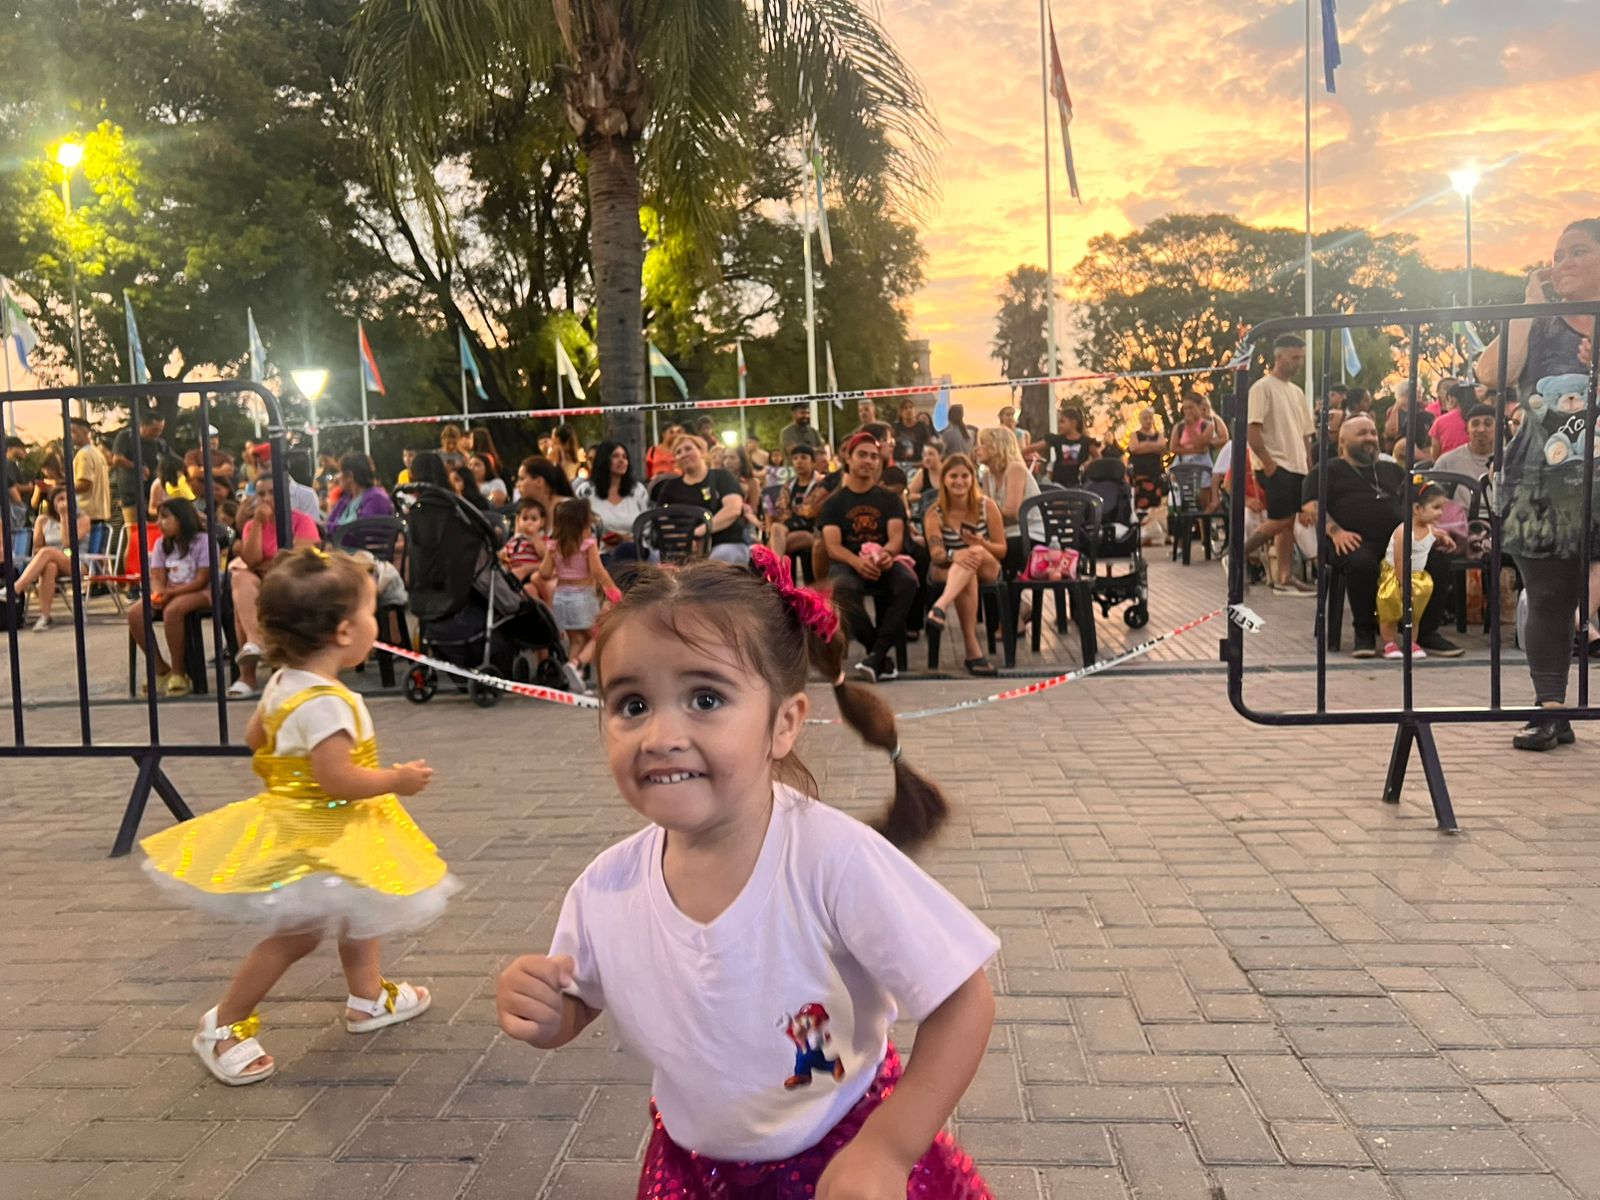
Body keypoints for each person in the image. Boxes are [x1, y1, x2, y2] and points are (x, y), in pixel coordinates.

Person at [495, 549, 997, 1198]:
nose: (660, 734)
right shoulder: (605, 888)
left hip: (845, 1157)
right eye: (631, 704)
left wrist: (890, 1146)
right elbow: (578, 998)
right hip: (692, 1171)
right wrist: (542, 1009)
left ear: (782, 724)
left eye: (705, 698)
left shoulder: (830, 859)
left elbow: (963, 997)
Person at [141, 547, 454, 1086]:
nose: (374, 623)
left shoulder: (284, 682)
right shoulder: (329, 703)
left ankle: (369, 997)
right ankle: (224, 1024)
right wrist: (396, 780)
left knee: (365, 903)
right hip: (320, 831)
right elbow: (339, 778)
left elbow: (255, 737)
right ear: (341, 632)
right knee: (299, 934)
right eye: (370, 613)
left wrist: (288, 773)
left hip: (311, 822)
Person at [1477, 216, 1600, 750]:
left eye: (1577, 252)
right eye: (1557, 253)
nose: (1562, 263)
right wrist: (1527, 306)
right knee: (1548, 594)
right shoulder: (1539, 320)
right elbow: (1492, 374)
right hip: (1542, 479)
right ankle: (1551, 709)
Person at [1298, 416, 1460, 658]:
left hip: (1398, 539)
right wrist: (1336, 532)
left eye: (1373, 433)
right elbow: (1311, 507)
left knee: (1437, 556)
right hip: (1352, 540)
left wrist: (1428, 530)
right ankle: (1364, 631)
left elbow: (1418, 504)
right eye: (1362, 433)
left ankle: (1425, 632)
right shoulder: (1327, 470)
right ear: (1343, 441)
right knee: (1362, 562)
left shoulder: (1392, 470)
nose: (1370, 438)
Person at [819, 432, 919, 682]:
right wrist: (856, 562)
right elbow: (832, 546)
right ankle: (879, 654)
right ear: (849, 459)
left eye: (874, 456)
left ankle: (876, 656)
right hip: (848, 562)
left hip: (883, 562)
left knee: (908, 582)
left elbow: (896, 537)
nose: (868, 461)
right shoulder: (834, 503)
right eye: (862, 455)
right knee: (842, 588)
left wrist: (887, 554)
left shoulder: (889, 499)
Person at [1231, 334, 1314, 595]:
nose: (1298, 363)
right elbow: (1252, 429)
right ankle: (1235, 554)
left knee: (1288, 523)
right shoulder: (1262, 388)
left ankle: (1285, 577)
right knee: (1281, 520)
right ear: (1279, 357)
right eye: (1294, 357)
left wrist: (1309, 470)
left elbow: (1305, 436)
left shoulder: (1297, 392)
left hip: (1297, 465)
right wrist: (1268, 464)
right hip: (1276, 464)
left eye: (1301, 357)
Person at [227, 475, 323, 698]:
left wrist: (264, 565)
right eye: (261, 494)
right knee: (241, 580)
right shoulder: (253, 524)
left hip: (295, 581)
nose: (267, 498)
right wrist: (259, 524)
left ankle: (250, 670)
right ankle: (255, 643)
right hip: (261, 582)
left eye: (272, 493)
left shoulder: (301, 521)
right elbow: (251, 560)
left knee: (247, 598)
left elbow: (296, 559)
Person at [924, 453, 1004, 676]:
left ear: (972, 478)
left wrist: (981, 543)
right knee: (967, 571)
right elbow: (936, 553)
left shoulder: (987, 506)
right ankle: (973, 653)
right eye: (953, 476)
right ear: (944, 480)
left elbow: (1001, 549)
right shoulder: (934, 513)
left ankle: (940, 605)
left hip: (987, 564)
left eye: (964, 476)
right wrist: (954, 555)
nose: (959, 482)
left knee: (974, 552)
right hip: (950, 568)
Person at [126, 498, 213, 694]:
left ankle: (178, 672)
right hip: (169, 591)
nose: (159, 523)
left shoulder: (203, 542)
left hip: (200, 591)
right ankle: (160, 668)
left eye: (165, 518)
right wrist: (159, 593)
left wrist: (170, 593)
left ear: (182, 519)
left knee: (173, 611)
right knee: (135, 613)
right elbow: (157, 575)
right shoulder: (161, 544)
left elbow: (202, 579)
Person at [538, 497, 622, 694]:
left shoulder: (553, 545)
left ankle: (575, 682)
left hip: (560, 597)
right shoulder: (587, 544)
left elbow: (544, 573)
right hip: (582, 595)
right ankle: (576, 664)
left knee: (576, 639)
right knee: (597, 635)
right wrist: (614, 591)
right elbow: (598, 571)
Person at [652, 434, 751, 565]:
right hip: (681, 548)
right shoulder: (670, 486)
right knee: (653, 559)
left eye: (688, 449)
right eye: (678, 452)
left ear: (702, 451)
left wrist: (697, 533)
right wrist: (682, 541)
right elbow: (661, 518)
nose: (683, 454)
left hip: (725, 543)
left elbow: (733, 509)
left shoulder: (722, 477)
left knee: (718, 560)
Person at [1378, 480, 1448, 660]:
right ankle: (1389, 642)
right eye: (1436, 507)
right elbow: (1400, 560)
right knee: (1391, 610)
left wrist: (1444, 538)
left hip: (1417, 577)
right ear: (1417, 509)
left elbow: (1434, 534)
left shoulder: (1429, 528)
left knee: (1414, 612)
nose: (1440, 513)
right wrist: (1403, 585)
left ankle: (1410, 641)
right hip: (1396, 575)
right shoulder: (1404, 532)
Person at [4, 486, 90, 631]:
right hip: (50, 562)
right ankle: (45, 617)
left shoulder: (83, 519)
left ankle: (16, 588)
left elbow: (68, 543)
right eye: (60, 499)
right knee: (49, 565)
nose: (64, 502)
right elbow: (37, 548)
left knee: (48, 553)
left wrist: (64, 517)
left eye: (67, 498)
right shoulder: (43, 520)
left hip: (76, 562)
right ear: (53, 504)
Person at [976, 425, 1043, 576]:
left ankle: (1004, 597)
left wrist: (983, 505)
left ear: (997, 446)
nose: (976, 449)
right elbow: (987, 514)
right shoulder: (988, 475)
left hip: (1029, 534)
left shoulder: (1015, 468)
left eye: (982, 444)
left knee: (984, 553)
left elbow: (1013, 514)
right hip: (1005, 534)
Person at [586, 439, 651, 562]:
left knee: (625, 550)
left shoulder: (638, 490)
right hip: (599, 552)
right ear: (604, 459)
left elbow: (647, 526)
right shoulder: (587, 492)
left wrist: (627, 539)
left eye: (625, 457)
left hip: (634, 551)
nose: (622, 460)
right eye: (615, 456)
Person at [768, 443, 827, 563]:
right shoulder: (789, 485)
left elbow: (811, 510)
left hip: (813, 532)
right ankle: (778, 569)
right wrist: (794, 514)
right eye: (795, 458)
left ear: (813, 462)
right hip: (790, 528)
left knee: (771, 546)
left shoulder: (822, 483)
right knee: (776, 527)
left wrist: (794, 512)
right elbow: (781, 509)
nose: (799, 462)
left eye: (804, 458)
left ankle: (775, 572)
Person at [112, 409, 168, 531]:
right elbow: (117, 459)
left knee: (155, 532)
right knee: (135, 533)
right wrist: (137, 467)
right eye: (154, 430)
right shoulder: (126, 437)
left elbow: (170, 460)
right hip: (132, 493)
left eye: (160, 430)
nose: (157, 434)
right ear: (142, 425)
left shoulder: (159, 443)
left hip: (153, 494)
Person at [1433, 403, 1497, 505]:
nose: (1481, 430)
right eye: (1475, 424)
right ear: (1467, 428)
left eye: (1488, 424)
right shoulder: (1446, 462)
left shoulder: (1511, 459)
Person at [1167, 393, 1221, 507]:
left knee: (1203, 498)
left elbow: (1199, 444)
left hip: (1202, 462)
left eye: (1191, 407)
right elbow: (1173, 447)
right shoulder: (1179, 426)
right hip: (1183, 462)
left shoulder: (1207, 426)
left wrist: (1191, 427)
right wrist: (1194, 451)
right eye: (1185, 408)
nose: (1188, 411)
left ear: (1198, 407)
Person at [326, 453, 397, 530]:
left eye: (340, 472)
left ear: (350, 476)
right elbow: (328, 523)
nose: (337, 477)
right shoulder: (347, 498)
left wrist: (332, 529)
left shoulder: (377, 499)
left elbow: (361, 531)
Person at [499, 499, 549, 602]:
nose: (529, 522)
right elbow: (504, 553)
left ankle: (538, 613)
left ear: (542, 522)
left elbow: (545, 555)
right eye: (525, 519)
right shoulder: (515, 540)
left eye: (534, 519)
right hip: (514, 576)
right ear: (518, 521)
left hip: (532, 576)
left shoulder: (542, 539)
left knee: (530, 590)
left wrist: (535, 537)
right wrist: (502, 555)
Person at [1030, 407, 1094, 488]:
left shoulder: (1086, 442)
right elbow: (1033, 447)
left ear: (1073, 423)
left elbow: (1098, 457)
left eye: (1062, 422)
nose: (1059, 425)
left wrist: (1088, 463)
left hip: (1079, 484)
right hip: (1059, 484)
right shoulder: (1057, 440)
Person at [1128, 407, 1167, 531]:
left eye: (1150, 418)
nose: (1148, 421)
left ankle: (1157, 530)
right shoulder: (1135, 435)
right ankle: (1142, 530)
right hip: (1140, 475)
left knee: (1156, 505)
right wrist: (1152, 446)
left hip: (1155, 475)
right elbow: (1134, 448)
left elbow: (1161, 447)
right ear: (1140, 420)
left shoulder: (1159, 435)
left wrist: (1144, 445)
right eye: (1145, 418)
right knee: (1140, 505)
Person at [69, 418, 110, 526]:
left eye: (73, 431)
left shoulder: (84, 454)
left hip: (86, 512)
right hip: (99, 511)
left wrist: (63, 489)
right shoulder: (97, 453)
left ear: (86, 432)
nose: (70, 436)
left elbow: (85, 484)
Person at [184, 425, 236, 504]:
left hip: (223, 499)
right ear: (201, 439)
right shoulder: (192, 454)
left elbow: (228, 471)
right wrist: (219, 471)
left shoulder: (224, 456)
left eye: (215, 438)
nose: (213, 441)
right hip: (200, 498)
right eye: (210, 438)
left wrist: (203, 470)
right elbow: (193, 472)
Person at [1428, 382, 1475, 462]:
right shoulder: (1482, 420)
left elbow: (1435, 455)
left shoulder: (1440, 422)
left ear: (1451, 400)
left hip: (1448, 470)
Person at [908, 441, 943, 514]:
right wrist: (925, 497)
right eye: (924, 455)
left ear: (940, 455)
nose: (927, 458)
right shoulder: (922, 473)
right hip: (927, 513)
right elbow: (909, 495)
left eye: (931, 454)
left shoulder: (948, 472)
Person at [891, 399, 929, 464]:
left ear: (915, 410)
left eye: (911, 407)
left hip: (919, 463)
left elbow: (928, 445)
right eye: (905, 408)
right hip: (899, 463)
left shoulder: (922, 426)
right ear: (900, 412)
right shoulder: (895, 427)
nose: (909, 410)